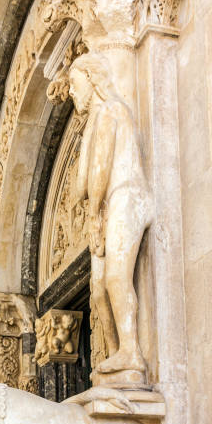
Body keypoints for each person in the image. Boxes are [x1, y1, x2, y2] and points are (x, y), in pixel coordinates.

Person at [69, 52, 152, 380]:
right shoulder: (94, 119)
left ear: (92, 80)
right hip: (107, 203)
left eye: (75, 85)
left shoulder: (110, 110)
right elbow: (80, 184)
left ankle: (132, 351)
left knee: (117, 278)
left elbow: (100, 171)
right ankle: (119, 354)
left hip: (125, 197)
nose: (73, 93)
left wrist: (93, 215)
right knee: (99, 288)